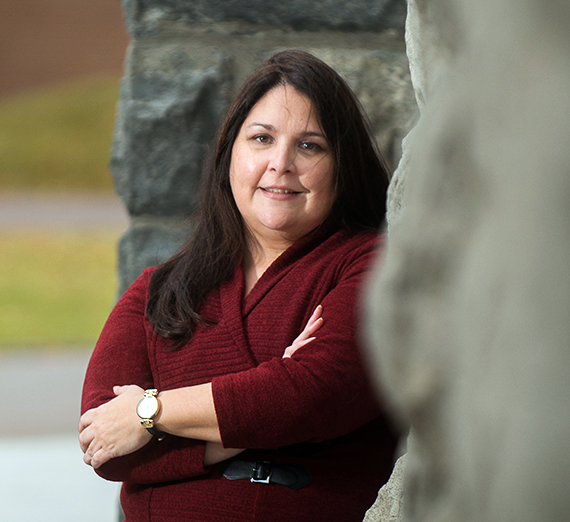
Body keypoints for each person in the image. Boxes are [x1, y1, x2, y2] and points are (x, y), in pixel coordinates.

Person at [79, 49, 398, 522]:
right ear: (231, 153)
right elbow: (106, 444)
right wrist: (270, 402)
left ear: (341, 165)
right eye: (262, 138)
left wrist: (150, 411)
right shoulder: (156, 292)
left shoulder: (372, 267)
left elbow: (317, 395)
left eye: (310, 146)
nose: (281, 163)